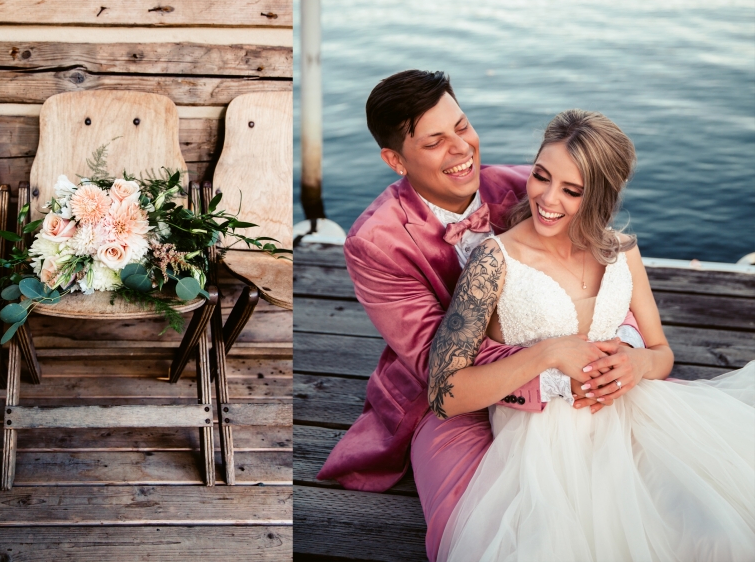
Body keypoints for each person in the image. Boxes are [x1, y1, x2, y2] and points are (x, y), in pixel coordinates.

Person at [317, 70, 645, 561]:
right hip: (448, 400)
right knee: (486, 529)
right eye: (435, 141)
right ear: (395, 160)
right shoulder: (374, 242)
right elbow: (436, 365)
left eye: (462, 126)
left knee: (633, 502)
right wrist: (554, 363)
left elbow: (600, 272)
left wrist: (623, 344)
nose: (461, 148)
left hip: (579, 373)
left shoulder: (530, 186)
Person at [436, 109, 754, 562]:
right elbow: (444, 394)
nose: (547, 198)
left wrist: (637, 363)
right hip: (544, 442)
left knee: (714, 531)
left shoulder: (621, 250)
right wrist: (546, 353)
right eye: (541, 176)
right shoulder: (494, 262)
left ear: (602, 195)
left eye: (572, 190)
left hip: (639, 415)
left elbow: (662, 353)